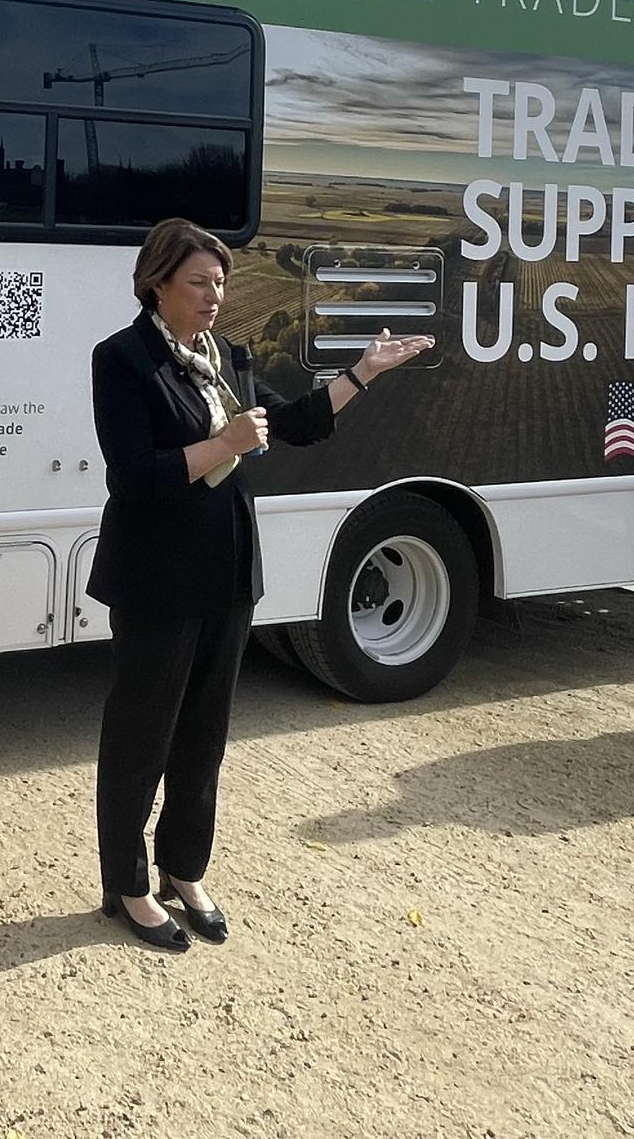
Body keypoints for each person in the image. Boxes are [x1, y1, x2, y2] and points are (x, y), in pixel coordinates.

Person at [89, 216, 434, 951]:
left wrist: (363, 371)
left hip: (227, 569)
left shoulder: (229, 357)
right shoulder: (122, 360)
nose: (213, 296)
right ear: (158, 283)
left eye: (220, 282)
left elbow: (299, 423)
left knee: (203, 736)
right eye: (198, 283)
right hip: (157, 576)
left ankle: (184, 868)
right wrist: (223, 443)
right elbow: (134, 476)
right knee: (140, 736)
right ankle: (128, 884)